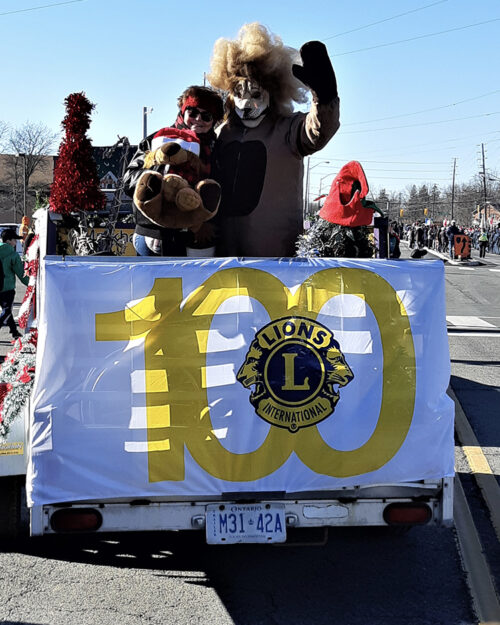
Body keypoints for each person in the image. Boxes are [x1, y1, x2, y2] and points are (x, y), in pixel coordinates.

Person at [207, 23, 340, 256]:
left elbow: (317, 131)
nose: (246, 104)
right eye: (239, 94)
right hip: (224, 255)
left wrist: (324, 96)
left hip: (276, 256)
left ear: (273, 92)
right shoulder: (223, 133)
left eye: (256, 94)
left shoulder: (288, 129)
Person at [123, 85, 224, 256]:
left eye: (206, 116)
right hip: (155, 232)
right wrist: (157, 184)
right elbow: (129, 179)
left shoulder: (217, 150)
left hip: (199, 236)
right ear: (183, 111)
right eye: (192, 112)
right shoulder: (158, 140)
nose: (198, 119)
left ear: (214, 121)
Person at [0, 229, 29, 340]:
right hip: (7, 288)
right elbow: (21, 275)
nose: (15, 243)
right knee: (7, 311)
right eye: (14, 240)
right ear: (8, 241)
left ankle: (14, 331)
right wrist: (31, 284)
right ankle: (14, 331)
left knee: (6, 311)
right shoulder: (13, 255)